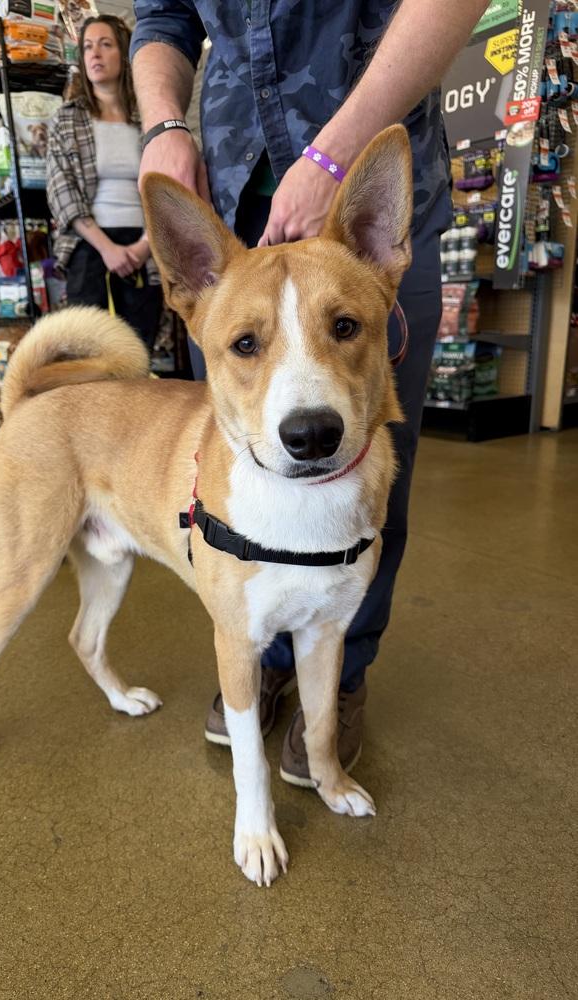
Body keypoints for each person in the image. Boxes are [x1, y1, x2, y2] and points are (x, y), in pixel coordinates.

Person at [130, 0, 490, 782]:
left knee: (369, 477)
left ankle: (341, 667)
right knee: (242, 477)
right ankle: (252, 650)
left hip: (367, 140)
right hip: (228, 180)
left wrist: (337, 154)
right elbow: (161, 18)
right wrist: (163, 124)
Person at [46, 14, 162, 351]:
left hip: (146, 248)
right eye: (87, 47)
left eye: (105, 44)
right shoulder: (67, 118)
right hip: (89, 247)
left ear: (123, 54)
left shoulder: (149, 117)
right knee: (89, 355)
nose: (95, 53)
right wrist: (107, 249)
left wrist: (144, 246)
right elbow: (60, 188)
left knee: (140, 350)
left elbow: (170, 182)